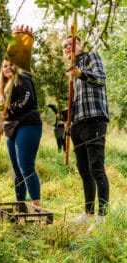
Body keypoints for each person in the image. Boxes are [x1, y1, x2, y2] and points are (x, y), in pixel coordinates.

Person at [62, 36, 110, 225]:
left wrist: (80, 73)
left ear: (80, 45)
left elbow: (100, 79)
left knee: (96, 168)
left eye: (71, 44)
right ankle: (89, 213)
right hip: (78, 124)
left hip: (94, 120)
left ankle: (103, 216)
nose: (67, 47)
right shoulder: (71, 71)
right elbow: (75, 101)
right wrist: (69, 119)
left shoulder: (91, 57)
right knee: (84, 170)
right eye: (64, 46)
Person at [0, 25, 42, 207]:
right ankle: (20, 205)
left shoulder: (23, 78)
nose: (7, 67)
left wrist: (22, 41)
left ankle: (37, 207)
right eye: (4, 66)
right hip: (12, 128)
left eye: (10, 64)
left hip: (28, 125)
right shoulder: (5, 88)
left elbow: (26, 99)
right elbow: (9, 111)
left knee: (26, 166)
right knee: (16, 169)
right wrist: (4, 118)